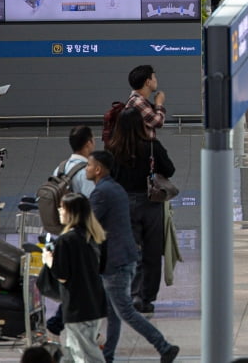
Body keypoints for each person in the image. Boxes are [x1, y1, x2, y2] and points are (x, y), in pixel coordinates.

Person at [86, 151, 178, 363]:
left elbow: (89, 225)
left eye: (89, 166)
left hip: (115, 261)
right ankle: (107, 355)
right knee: (113, 312)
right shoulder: (116, 189)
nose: (86, 169)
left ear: (98, 169)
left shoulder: (101, 193)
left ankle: (164, 347)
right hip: (122, 257)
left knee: (125, 311)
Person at [107, 108, 174, 312]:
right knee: (152, 251)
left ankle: (131, 293)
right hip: (150, 202)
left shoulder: (113, 149)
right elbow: (169, 169)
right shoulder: (152, 146)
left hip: (124, 203)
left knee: (130, 251)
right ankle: (146, 297)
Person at [42, 193, 108, 363]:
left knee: (86, 356)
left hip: (77, 306)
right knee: (73, 351)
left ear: (71, 212)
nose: (59, 210)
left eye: (62, 207)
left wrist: (49, 260)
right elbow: (102, 267)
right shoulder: (95, 235)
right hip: (94, 302)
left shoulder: (66, 240)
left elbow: (62, 275)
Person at [125, 65, 167, 140]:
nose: (156, 80)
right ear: (148, 82)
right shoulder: (138, 102)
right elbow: (158, 122)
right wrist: (159, 103)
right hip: (141, 149)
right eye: (154, 77)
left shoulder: (136, 100)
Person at [56, 126, 97, 197]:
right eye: (93, 139)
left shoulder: (59, 168)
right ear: (88, 144)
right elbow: (91, 201)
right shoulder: (87, 172)